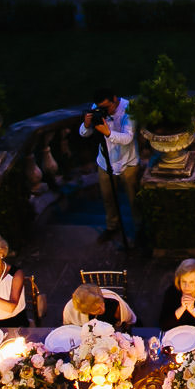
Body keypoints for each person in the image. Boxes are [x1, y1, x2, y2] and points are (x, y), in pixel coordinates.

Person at [78, 88, 139, 249]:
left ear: (114, 99)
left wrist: (108, 133)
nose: (104, 110)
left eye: (107, 107)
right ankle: (112, 226)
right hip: (105, 162)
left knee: (134, 200)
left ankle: (140, 230)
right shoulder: (97, 107)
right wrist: (86, 124)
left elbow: (128, 138)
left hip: (128, 162)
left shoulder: (128, 109)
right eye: (101, 107)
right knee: (108, 198)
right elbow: (85, 133)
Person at [62, 282, 136, 328]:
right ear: (86, 311)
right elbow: (68, 327)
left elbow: (128, 319)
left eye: (102, 303)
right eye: (96, 309)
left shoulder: (114, 304)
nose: (103, 309)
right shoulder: (70, 309)